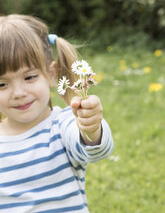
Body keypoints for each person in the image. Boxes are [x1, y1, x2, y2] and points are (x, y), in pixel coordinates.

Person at [0, 14, 113, 213]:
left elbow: (96, 150)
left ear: (51, 74)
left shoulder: (63, 125)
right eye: (2, 84)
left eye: (29, 77)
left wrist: (91, 127)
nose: (18, 93)